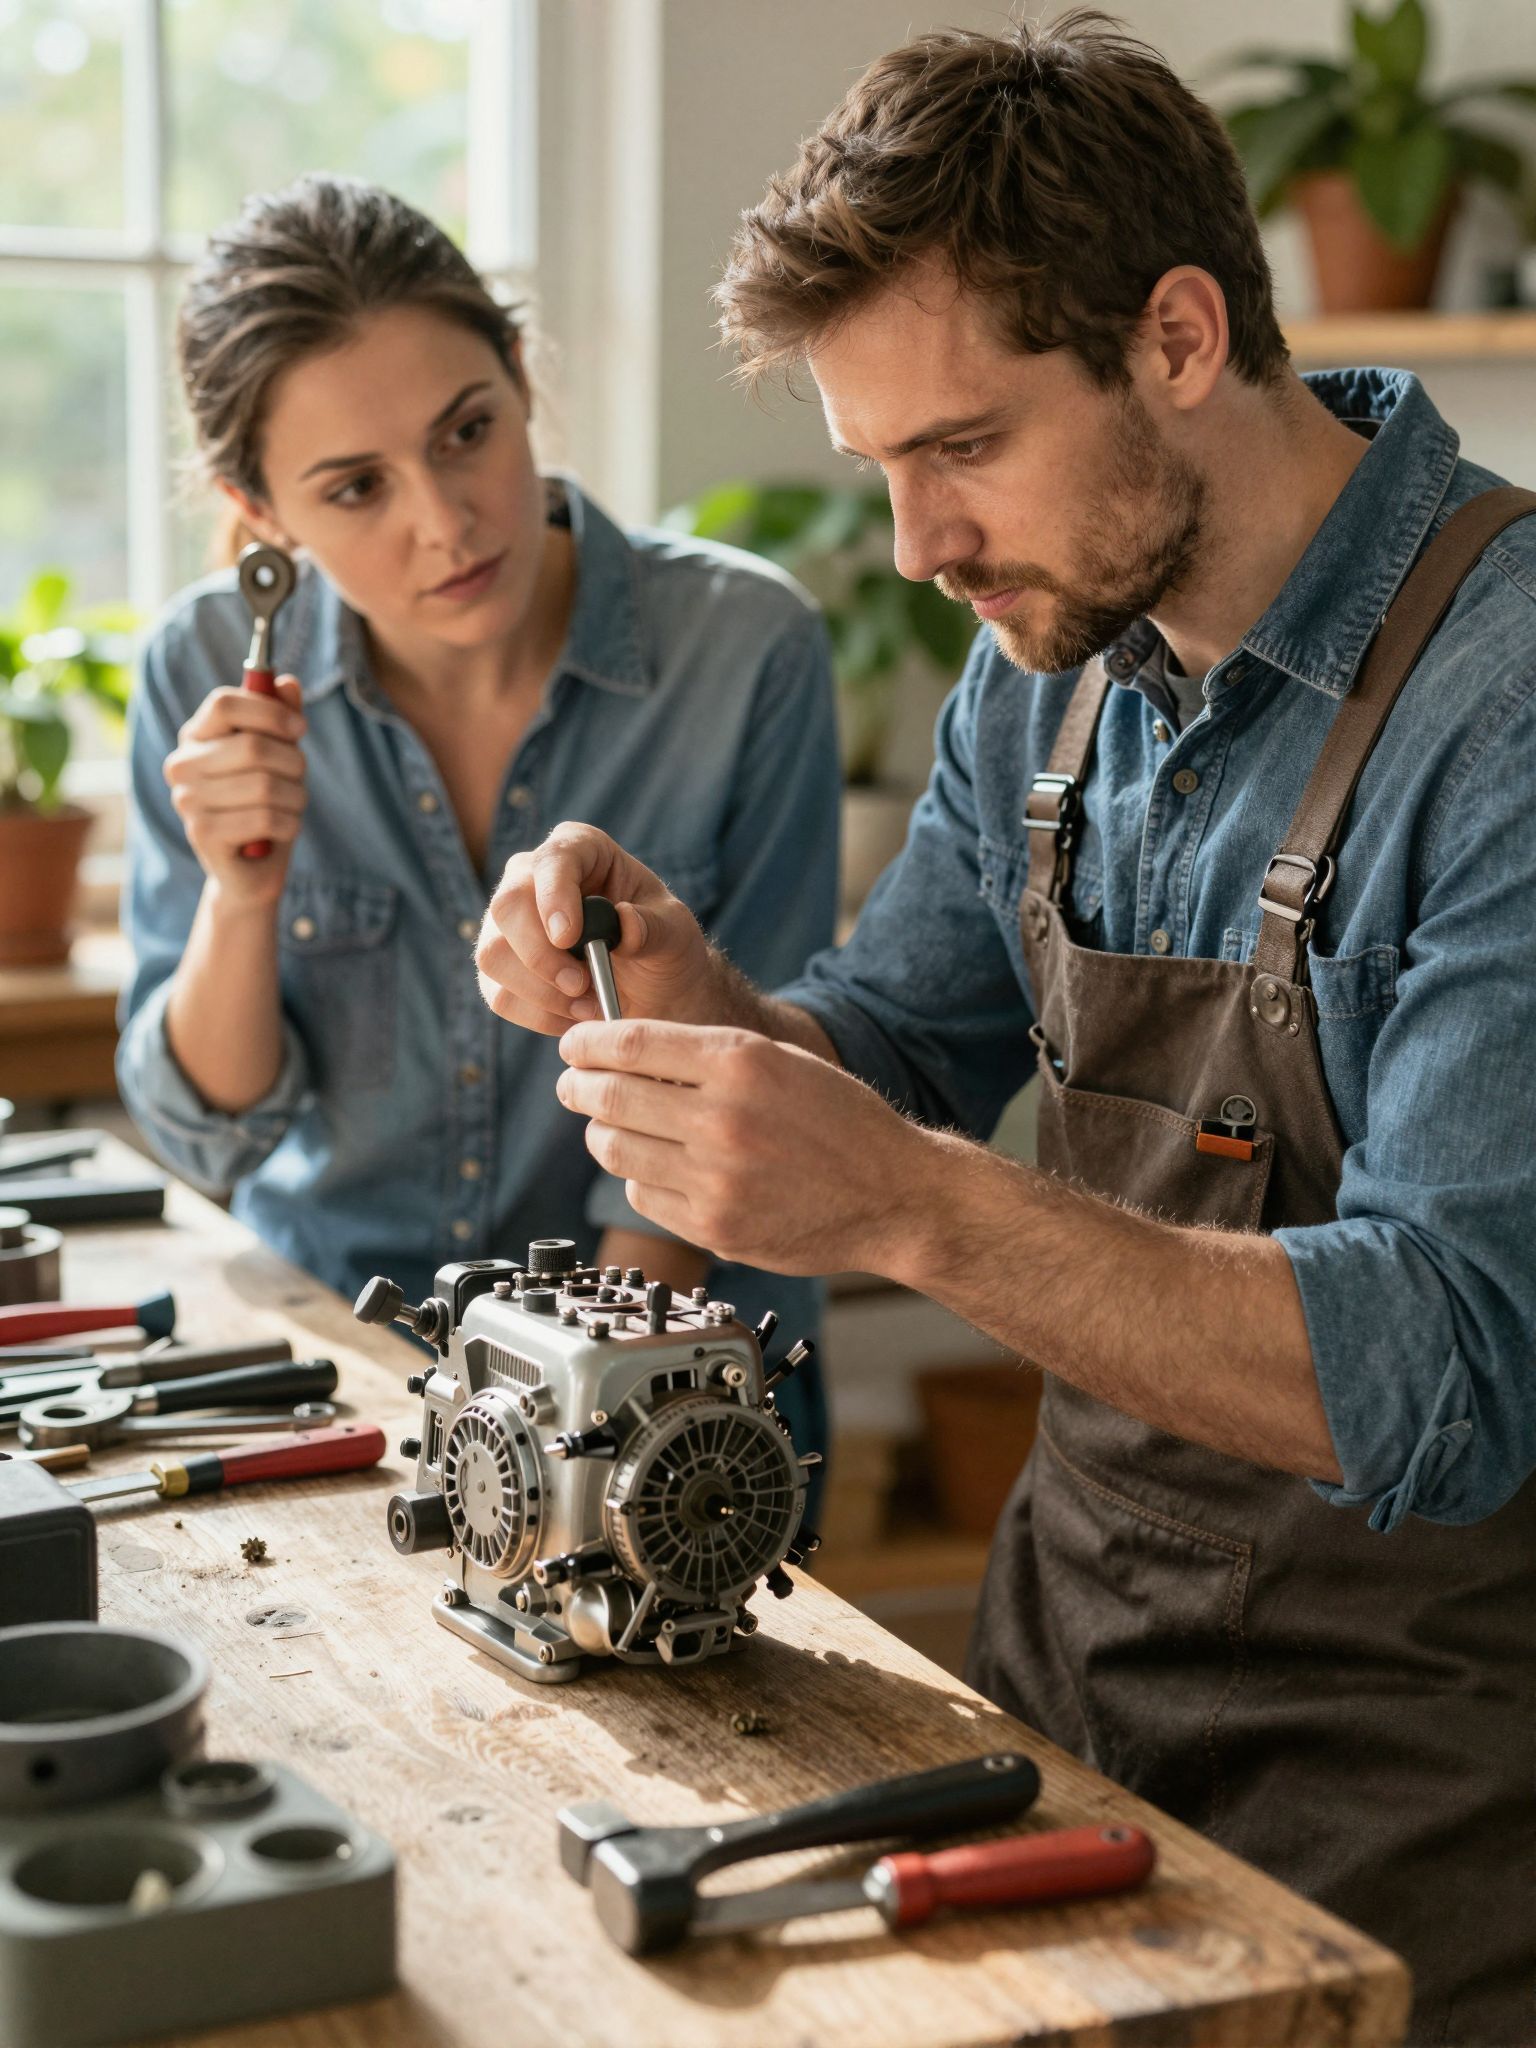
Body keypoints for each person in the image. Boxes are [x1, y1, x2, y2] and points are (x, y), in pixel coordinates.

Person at [475, 19, 1536, 2044]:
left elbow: (1450, 1367)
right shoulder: (1045, 663)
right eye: (882, 467)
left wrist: (918, 1212)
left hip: (1426, 1786)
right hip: (1054, 1695)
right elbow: (892, 1042)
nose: (914, 547)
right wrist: (697, 998)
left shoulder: (1509, 701)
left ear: (1181, 335)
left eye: (959, 448)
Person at [117, 174, 839, 1467]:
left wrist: (576, 1416)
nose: (443, 523)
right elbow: (209, 1130)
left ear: (518, 373)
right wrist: (240, 894)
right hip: (337, 1374)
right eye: (354, 490)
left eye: (466, 433)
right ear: (259, 515)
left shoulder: (741, 650)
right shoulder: (203, 669)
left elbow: (754, 1082)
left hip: (667, 1389)